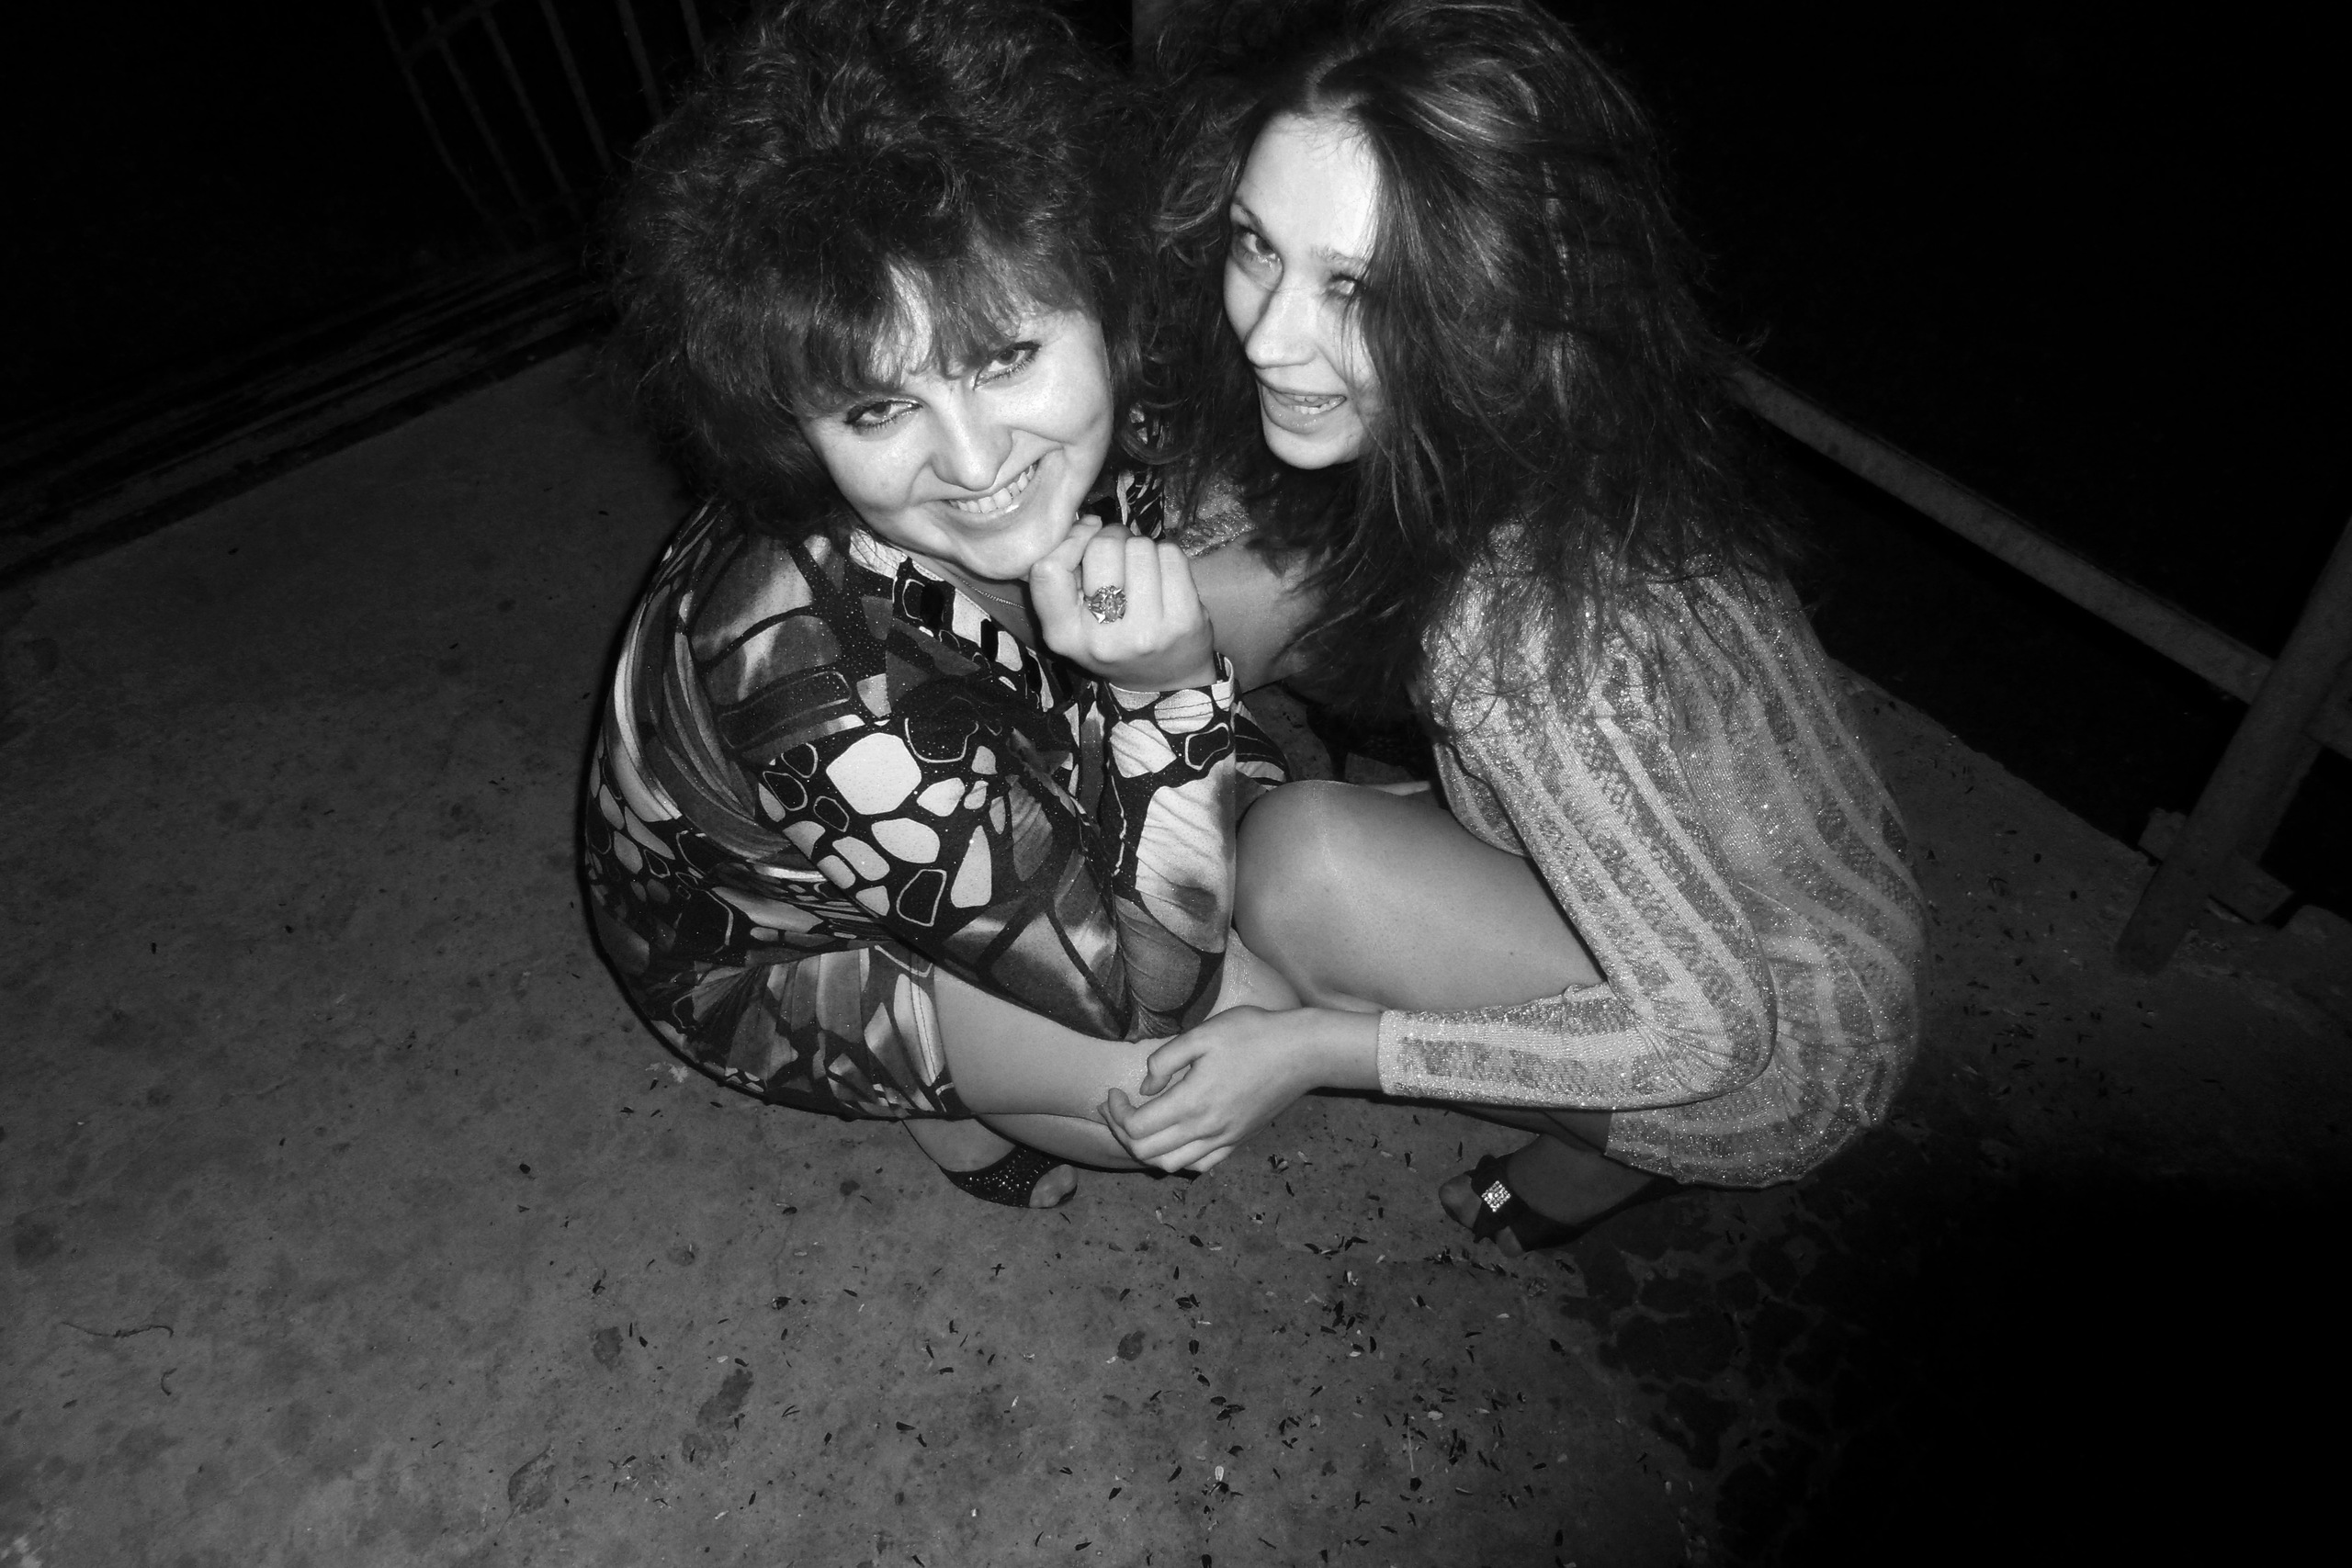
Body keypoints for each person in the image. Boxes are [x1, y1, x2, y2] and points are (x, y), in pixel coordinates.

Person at [1102, 0, 1928, 1253]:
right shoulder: (1580, 424)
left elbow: (1712, 1033)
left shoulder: (1519, 631)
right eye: (1258, 245)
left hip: (1780, 1057)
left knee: (1297, 872)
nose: (1269, 334)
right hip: (1824, 906)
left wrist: (1317, 1049)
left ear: (1503, 295)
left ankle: (1607, 1152)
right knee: (1294, 701)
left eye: (1358, 286)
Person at [581, 0, 1292, 1211]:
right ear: (794, 425)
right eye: (877, 408)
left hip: (961, 771)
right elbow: (1148, 994)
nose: (972, 462)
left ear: (1103, 297)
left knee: (1275, 876)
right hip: (767, 950)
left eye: (1004, 358)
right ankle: (931, 1098)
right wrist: (1170, 699)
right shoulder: (816, 683)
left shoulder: (1126, 389)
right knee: (1198, 1058)